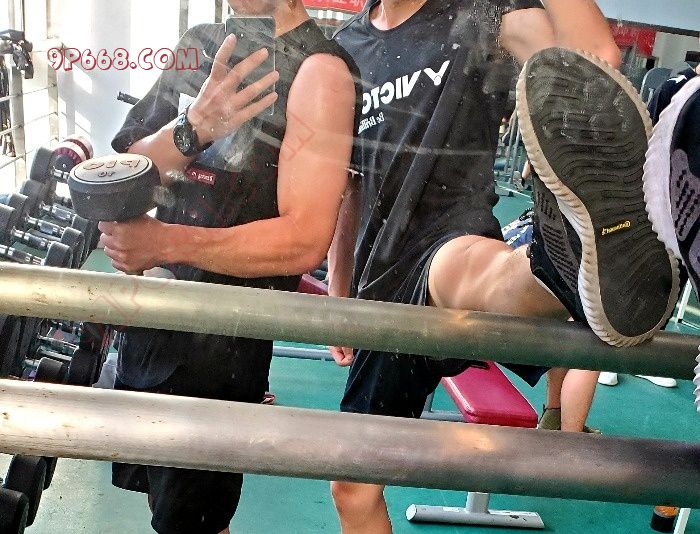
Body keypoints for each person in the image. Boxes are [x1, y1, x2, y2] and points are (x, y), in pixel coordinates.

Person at [327, 1, 679, 532]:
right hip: (381, 279)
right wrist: (339, 290)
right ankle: (570, 263)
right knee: (352, 488)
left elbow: (589, 59)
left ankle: (567, 263)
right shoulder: (348, 48)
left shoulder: (478, 12)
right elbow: (350, 186)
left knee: (479, 274)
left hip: (451, 239)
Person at [100, 2, 359, 533]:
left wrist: (165, 243)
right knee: (162, 504)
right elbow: (126, 172)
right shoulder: (198, 42)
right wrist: (193, 128)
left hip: (222, 344)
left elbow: (303, 241)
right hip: (153, 319)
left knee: (192, 520)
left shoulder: (320, 70)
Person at [599, 57, 700, 391]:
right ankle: (609, 356)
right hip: (656, 204)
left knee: (674, 282)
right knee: (642, 278)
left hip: (687, 217)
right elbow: (648, 140)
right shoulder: (675, 87)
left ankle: (648, 355)